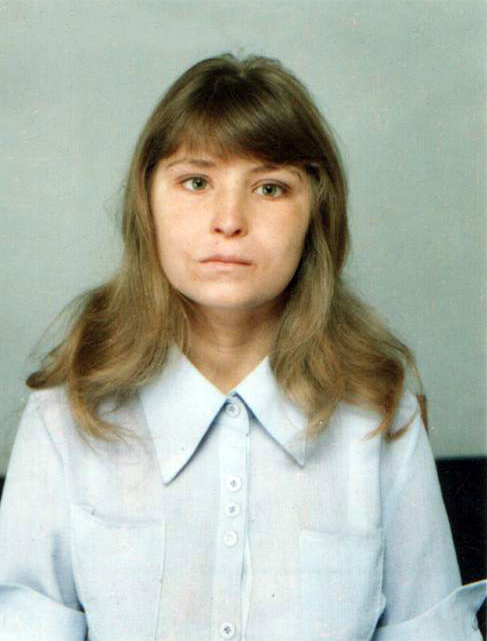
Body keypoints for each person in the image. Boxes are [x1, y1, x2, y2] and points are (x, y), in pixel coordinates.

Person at [0, 53, 484, 641]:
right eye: (196, 182)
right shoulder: (64, 417)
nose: (229, 220)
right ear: (146, 203)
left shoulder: (381, 419)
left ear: (316, 214)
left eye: (270, 188)